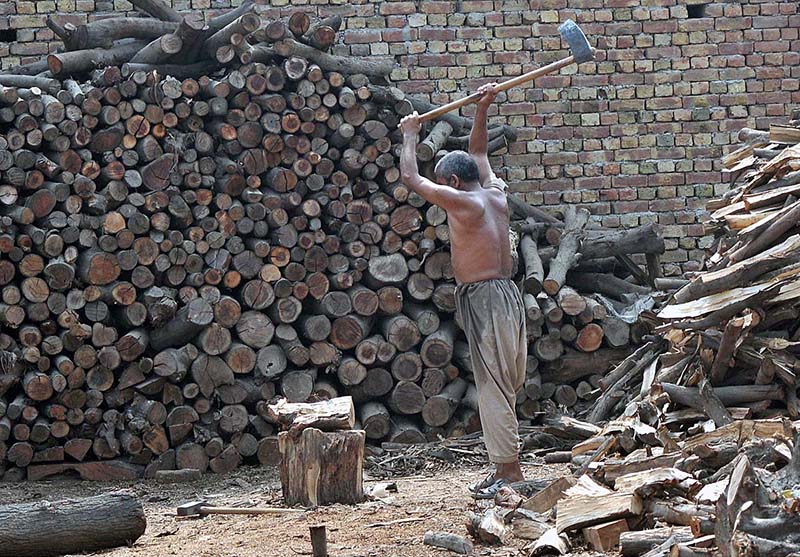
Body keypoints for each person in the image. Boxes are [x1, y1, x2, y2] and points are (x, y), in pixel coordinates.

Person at [399, 83, 527, 497]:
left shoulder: (463, 203)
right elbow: (481, 153)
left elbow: (409, 176)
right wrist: (482, 108)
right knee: (503, 379)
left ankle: (508, 472)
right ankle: (505, 466)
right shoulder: (494, 194)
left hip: (485, 298)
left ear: (453, 181)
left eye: (446, 183)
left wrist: (410, 133)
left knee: (492, 383)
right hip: (507, 293)